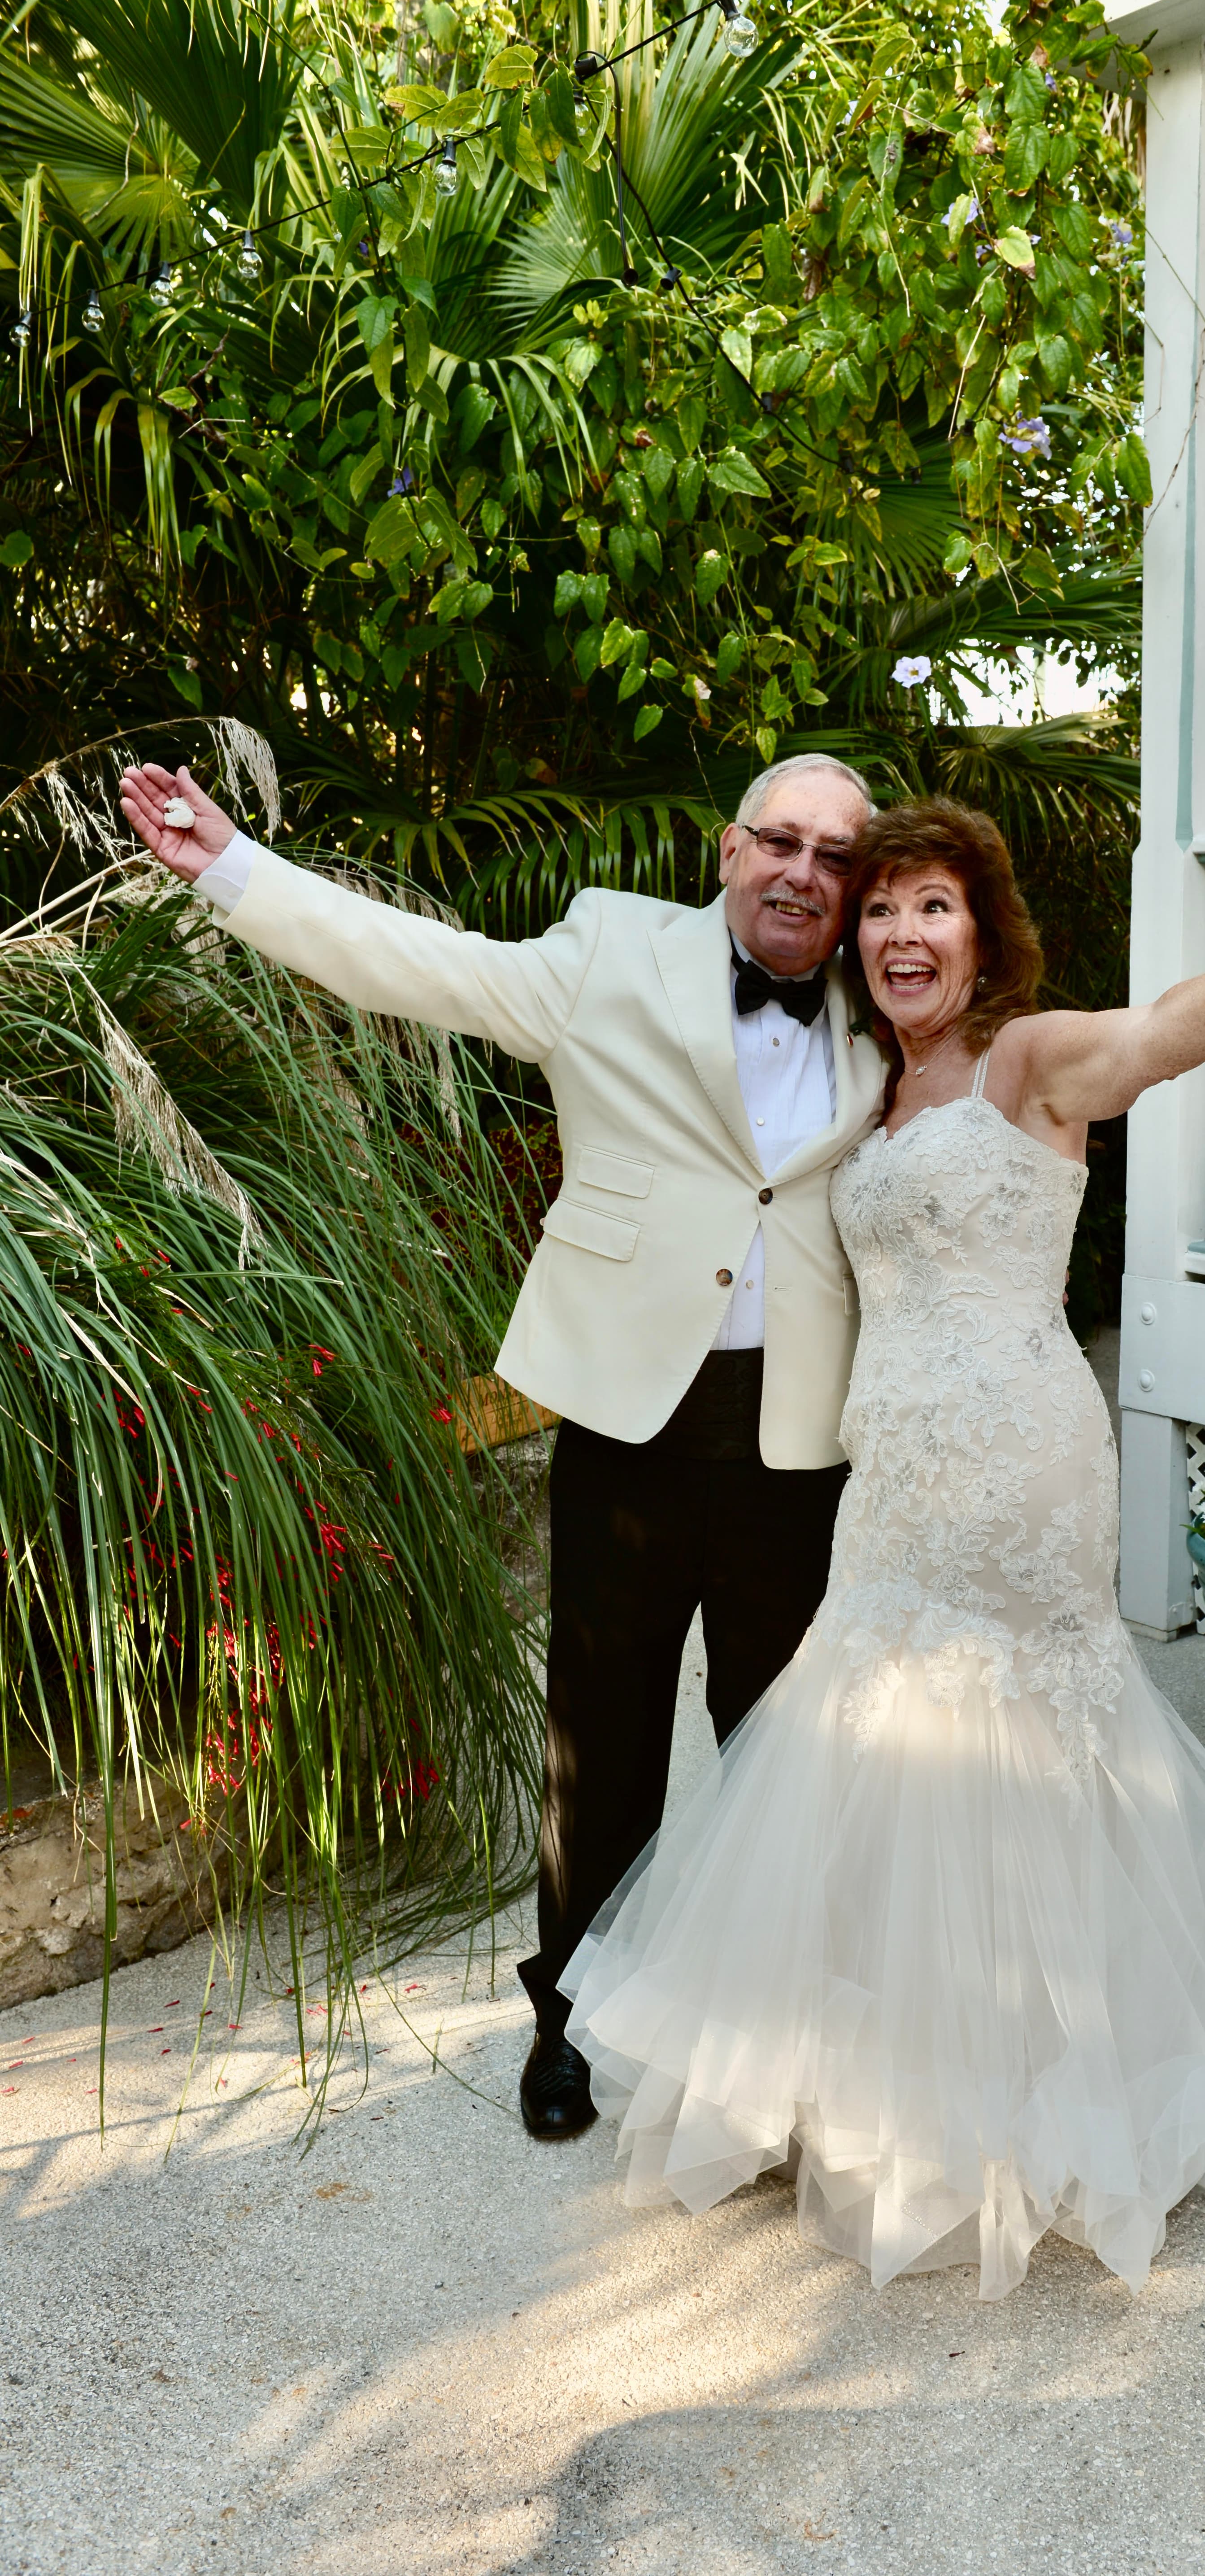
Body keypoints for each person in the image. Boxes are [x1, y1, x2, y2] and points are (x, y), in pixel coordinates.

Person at [561, 796, 1205, 2301]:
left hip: (1013, 1459)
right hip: (890, 1471)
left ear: (980, 931)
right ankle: (869, 2077)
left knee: (1013, 1723)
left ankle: (1037, 2090)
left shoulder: (1025, 1063)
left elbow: (1158, 1037)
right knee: (880, 1735)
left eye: (930, 906)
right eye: (880, 911)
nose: (897, 933)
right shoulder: (871, 1090)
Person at [117, 750, 887, 2142]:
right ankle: (571, 2018)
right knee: (602, 1743)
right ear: (729, 851)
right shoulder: (612, 949)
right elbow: (422, 962)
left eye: (838, 858)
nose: (805, 874)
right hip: (630, 1417)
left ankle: (777, 2034)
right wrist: (231, 868)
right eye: (783, 842)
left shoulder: (888, 1002)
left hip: (803, 1431)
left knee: (783, 1751)